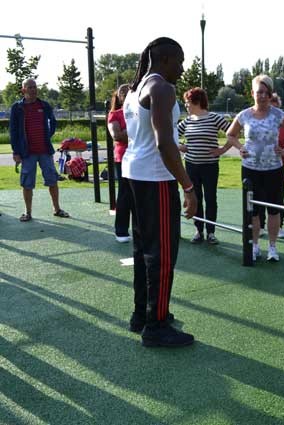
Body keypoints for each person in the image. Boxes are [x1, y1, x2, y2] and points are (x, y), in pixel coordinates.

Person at [122, 37, 197, 347]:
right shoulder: (162, 88)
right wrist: (188, 186)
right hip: (155, 179)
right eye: (179, 61)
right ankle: (156, 326)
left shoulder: (134, 89)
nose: (182, 68)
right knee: (163, 254)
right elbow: (164, 141)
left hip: (133, 174)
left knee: (143, 250)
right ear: (165, 59)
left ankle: (144, 314)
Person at [226, 75, 284, 262]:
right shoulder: (244, 115)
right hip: (251, 170)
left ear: (270, 94)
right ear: (252, 93)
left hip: (274, 170)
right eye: (259, 92)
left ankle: (273, 248)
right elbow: (230, 134)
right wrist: (240, 148)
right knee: (254, 211)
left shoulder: (278, 115)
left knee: (273, 210)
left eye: (266, 93)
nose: (262, 96)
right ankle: (255, 246)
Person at [9, 78, 70, 222]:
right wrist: (16, 152)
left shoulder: (44, 105)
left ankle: (57, 209)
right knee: (27, 183)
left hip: (45, 151)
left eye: (35, 87)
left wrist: (47, 135)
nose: (33, 89)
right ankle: (28, 212)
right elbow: (13, 131)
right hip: (27, 153)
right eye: (30, 87)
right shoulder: (17, 108)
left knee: (52, 180)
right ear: (23, 90)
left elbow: (53, 123)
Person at [177, 87, 231, 245]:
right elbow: (172, 137)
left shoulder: (214, 118)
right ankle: (198, 230)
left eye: (187, 102)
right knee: (196, 198)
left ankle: (211, 232)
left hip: (210, 166)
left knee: (210, 198)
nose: (186, 106)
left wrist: (222, 149)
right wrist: (182, 147)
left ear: (197, 102)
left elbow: (232, 132)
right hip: (191, 165)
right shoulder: (186, 121)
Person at [258, 93, 284, 239]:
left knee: (277, 199)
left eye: (277, 108)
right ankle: (260, 226)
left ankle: (279, 227)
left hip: (277, 168)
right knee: (259, 197)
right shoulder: (259, 124)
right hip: (258, 168)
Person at [107, 84, 132, 243]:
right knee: (125, 194)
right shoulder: (115, 115)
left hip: (141, 157)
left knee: (142, 195)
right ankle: (121, 230)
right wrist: (137, 129)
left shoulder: (139, 112)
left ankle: (141, 229)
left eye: (130, 91)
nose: (127, 94)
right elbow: (117, 136)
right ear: (119, 97)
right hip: (124, 157)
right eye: (123, 92)